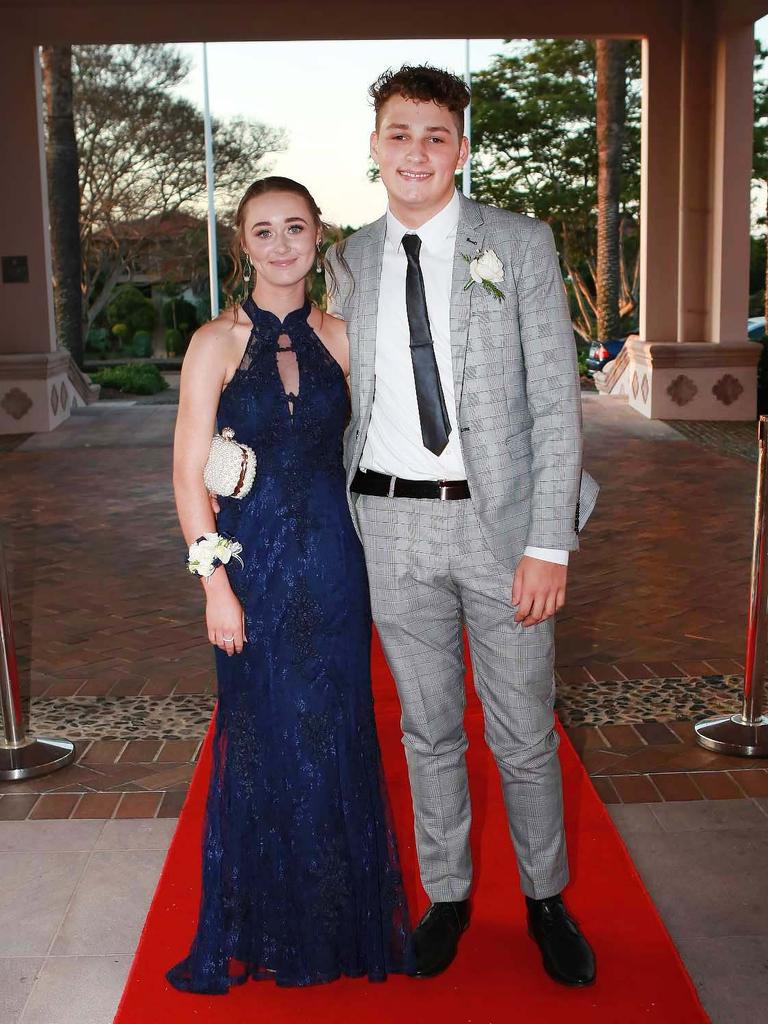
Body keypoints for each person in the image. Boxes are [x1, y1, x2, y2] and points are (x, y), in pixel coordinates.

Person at [325, 65, 600, 987]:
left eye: (436, 136)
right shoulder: (350, 258)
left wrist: (548, 541)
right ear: (374, 146)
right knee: (429, 728)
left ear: (461, 150)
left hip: (502, 527)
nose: (416, 151)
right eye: (399, 133)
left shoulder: (517, 245)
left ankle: (545, 897)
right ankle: (446, 895)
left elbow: (557, 408)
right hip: (391, 525)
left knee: (522, 728)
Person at [168, 176, 410, 993]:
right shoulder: (214, 343)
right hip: (253, 569)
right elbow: (185, 476)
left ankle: (337, 924)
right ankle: (267, 921)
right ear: (243, 245)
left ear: (317, 236)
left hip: (337, 567)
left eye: (295, 228)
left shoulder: (346, 337)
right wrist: (215, 587)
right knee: (265, 736)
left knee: (335, 735)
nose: (281, 244)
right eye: (263, 231)